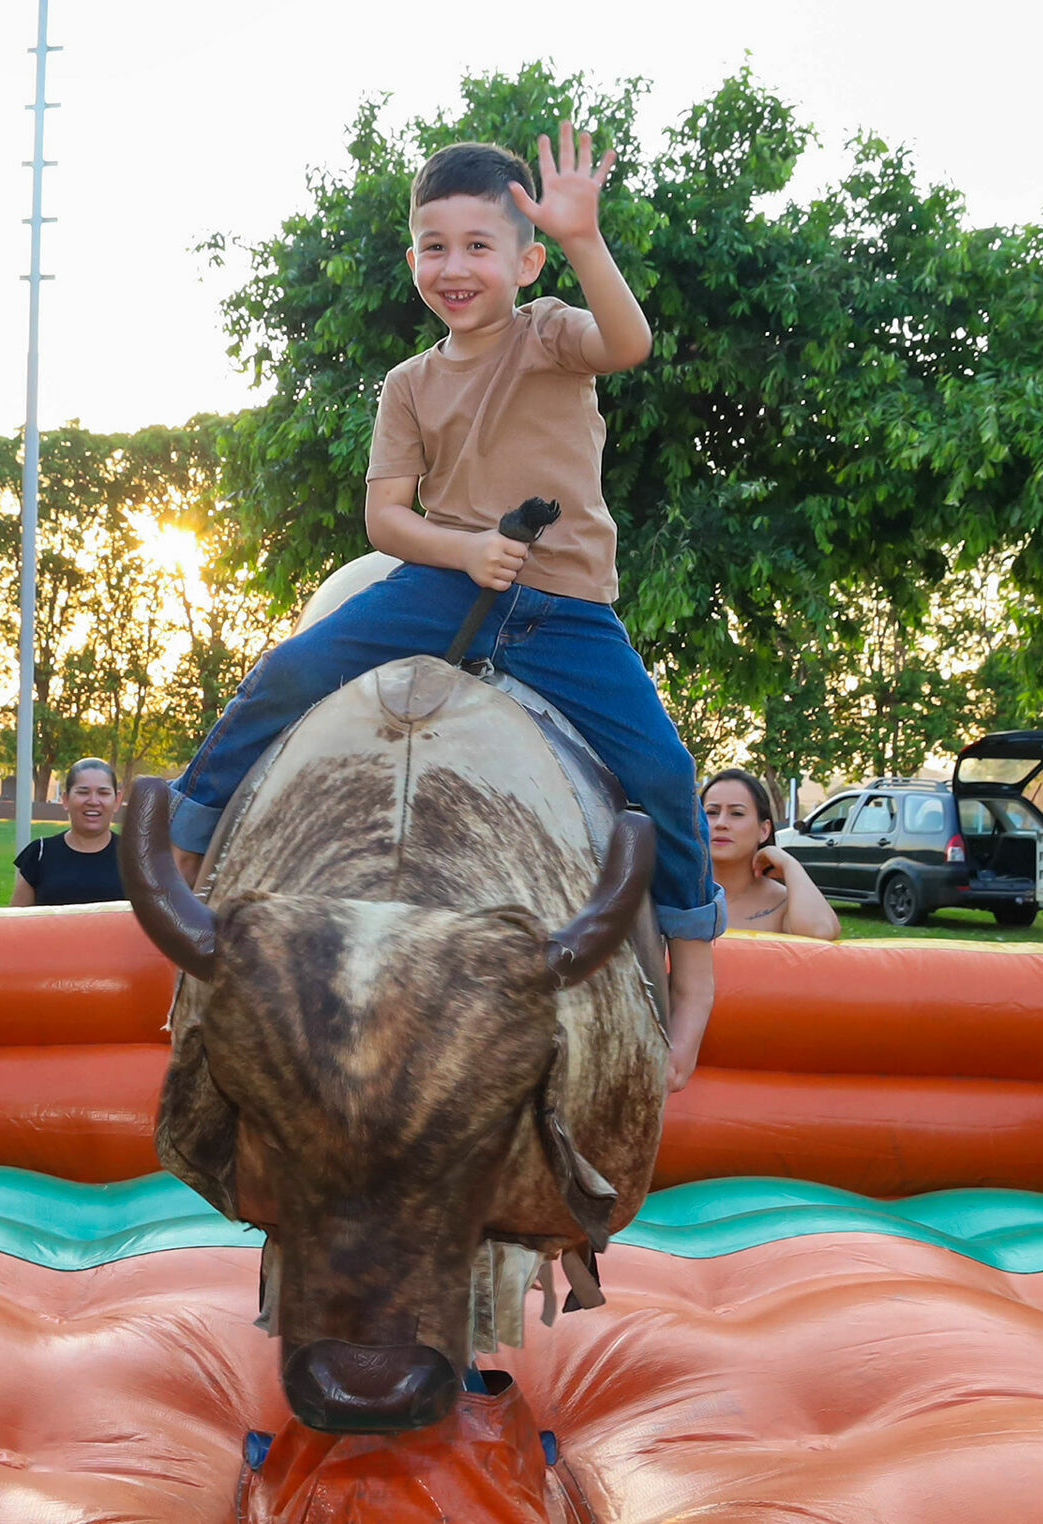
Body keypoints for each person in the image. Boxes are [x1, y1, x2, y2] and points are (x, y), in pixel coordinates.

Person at [165, 124, 722, 1093]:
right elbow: (385, 516)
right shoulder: (407, 385)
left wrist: (588, 242)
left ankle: (696, 969)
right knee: (284, 675)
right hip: (440, 587)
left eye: (478, 246)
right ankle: (182, 866)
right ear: (412, 255)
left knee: (666, 771)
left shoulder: (551, 330)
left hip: (562, 607)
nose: (454, 266)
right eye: (434, 246)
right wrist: (463, 549)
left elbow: (628, 343)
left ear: (525, 258)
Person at [701, 770, 840, 940]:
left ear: (764, 830)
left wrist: (789, 864)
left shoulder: (784, 905)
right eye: (712, 812)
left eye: (736, 813)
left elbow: (821, 933)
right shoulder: (678, 895)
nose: (721, 823)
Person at [11, 758, 126, 907]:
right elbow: (17, 922)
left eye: (103, 793)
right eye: (83, 792)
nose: (93, 801)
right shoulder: (40, 854)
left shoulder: (136, 857)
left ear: (117, 801)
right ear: (65, 799)